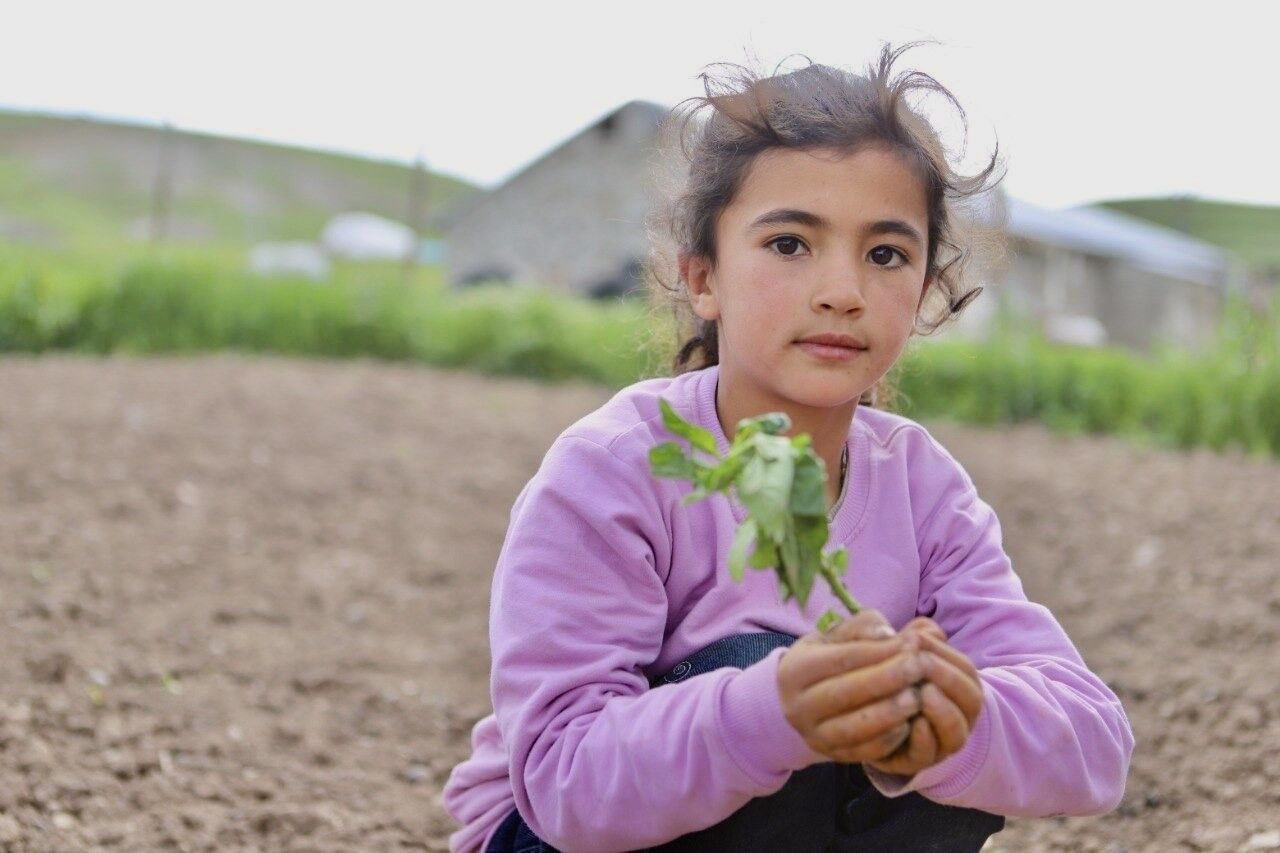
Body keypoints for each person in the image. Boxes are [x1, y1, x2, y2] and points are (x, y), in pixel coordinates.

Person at [442, 41, 1134, 853]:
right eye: (789, 244)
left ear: (923, 291)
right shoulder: (612, 469)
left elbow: (1094, 740)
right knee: (765, 663)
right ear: (702, 276)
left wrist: (956, 721)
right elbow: (566, 781)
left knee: (934, 718)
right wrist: (770, 712)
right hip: (561, 836)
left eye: (885, 254)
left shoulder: (924, 489)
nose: (841, 290)